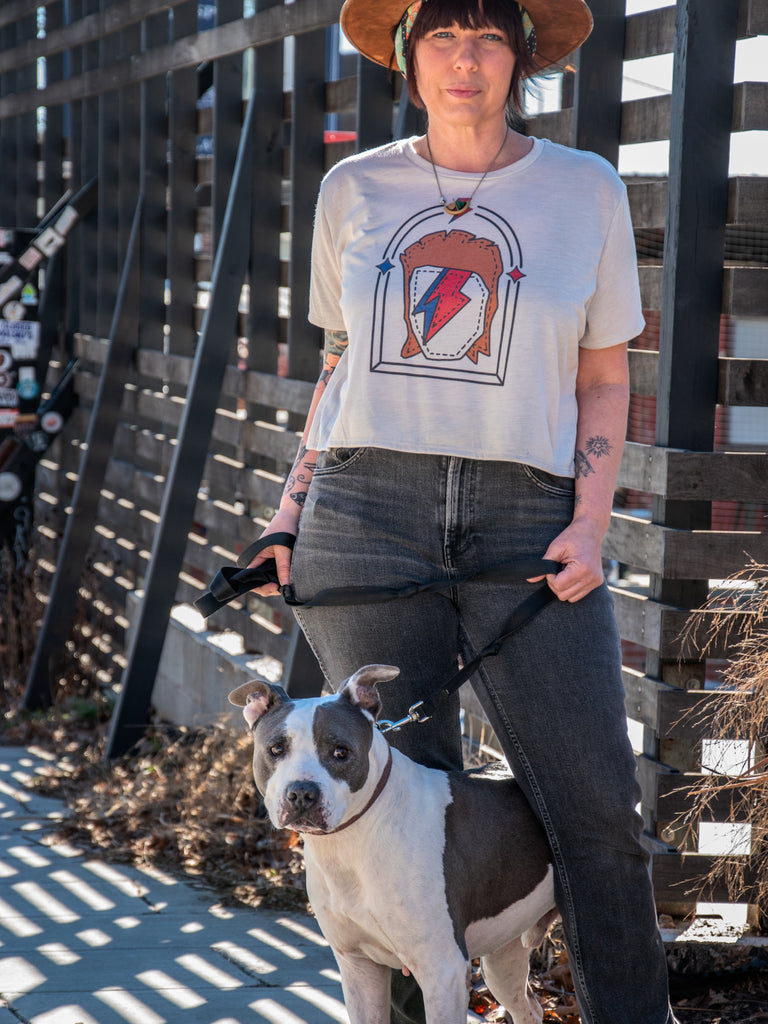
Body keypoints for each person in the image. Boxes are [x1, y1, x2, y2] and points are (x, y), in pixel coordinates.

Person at [249, 1, 677, 1021]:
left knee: (598, 813)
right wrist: (286, 511)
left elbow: (605, 380)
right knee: (390, 803)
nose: (465, 58)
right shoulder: (354, 186)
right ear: (408, 57)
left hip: (524, 521)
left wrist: (589, 519)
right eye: (441, 35)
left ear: (522, 56)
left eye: (487, 35)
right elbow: (341, 364)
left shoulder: (586, 190)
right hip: (365, 510)